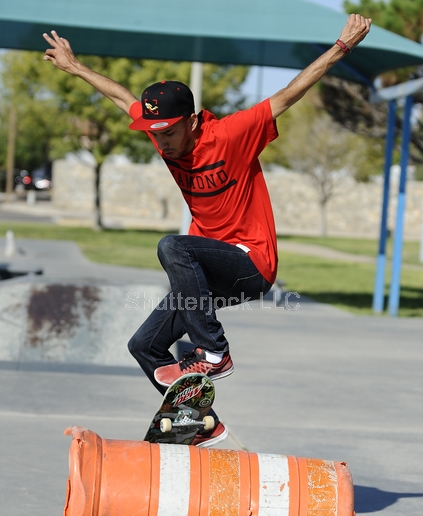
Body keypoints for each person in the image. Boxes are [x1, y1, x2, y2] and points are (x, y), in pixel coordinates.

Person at [43, 14, 371, 447]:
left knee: (173, 247)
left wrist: (341, 47)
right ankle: (198, 422)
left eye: (170, 133)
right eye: (155, 134)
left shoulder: (233, 134)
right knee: (144, 346)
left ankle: (215, 351)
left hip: (251, 263)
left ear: (193, 121)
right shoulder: (162, 135)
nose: (162, 143)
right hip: (207, 272)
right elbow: (122, 97)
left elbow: (289, 94)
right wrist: (75, 67)